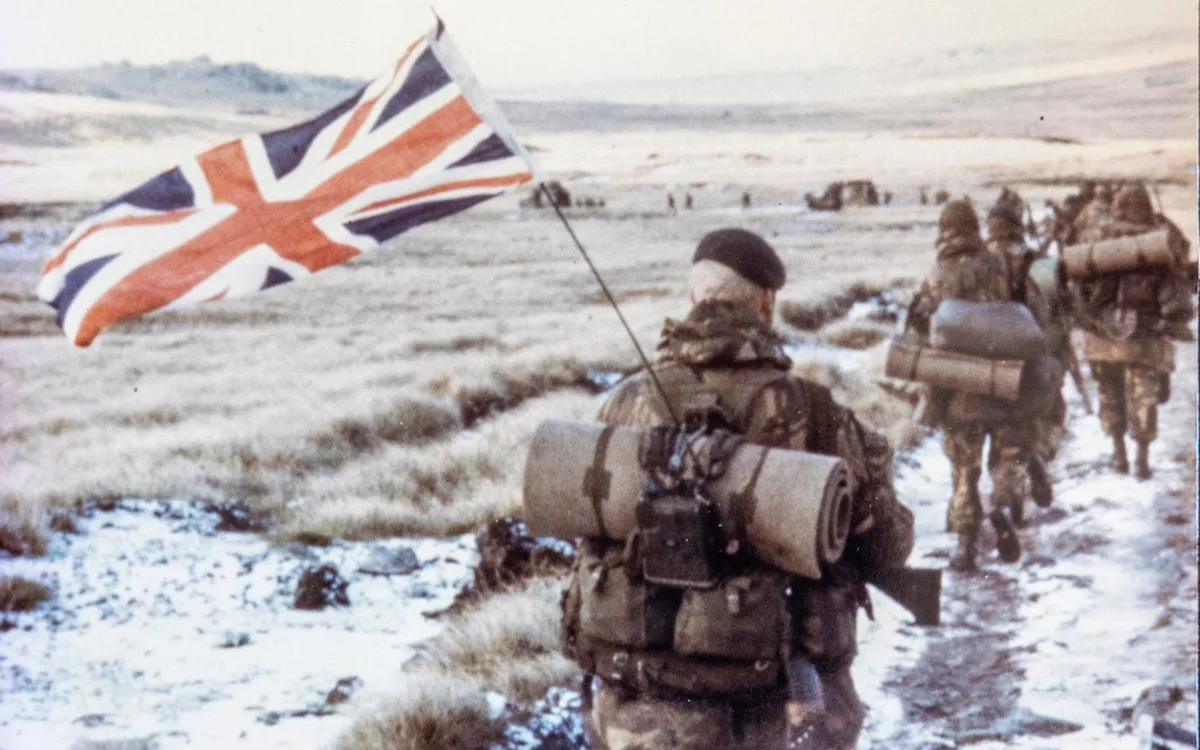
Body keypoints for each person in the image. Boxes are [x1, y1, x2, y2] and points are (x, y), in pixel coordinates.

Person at [564, 228, 914, 749]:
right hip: (781, 703)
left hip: (641, 706)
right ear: (767, 303)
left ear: (692, 299)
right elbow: (887, 544)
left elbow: (591, 532)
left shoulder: (625, 402)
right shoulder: (816, 413)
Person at [907, 200, 1043, 570]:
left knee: (963, 470)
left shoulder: (935, 273)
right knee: (1006, 458)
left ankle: (966, 545)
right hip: (1003, 382)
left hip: (956, 390)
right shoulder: (1001, 264)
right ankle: (1001, 507)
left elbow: (915, 328)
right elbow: (1032, 313)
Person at [1072, 185, 1195, 479]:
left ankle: (1118, 455)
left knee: (1110, 394)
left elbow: (1077, 290)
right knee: (1143, 397)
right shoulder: (1159, 241)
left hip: (1102, 338)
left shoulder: (1097, 239)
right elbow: (1177, 296)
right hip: (1145, 337)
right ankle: (1141, 459)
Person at [984, 197, 1063, 514]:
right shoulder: (1038, 261)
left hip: (982, 361)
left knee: (993, 426)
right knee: (1039, 416)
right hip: (1027, 361)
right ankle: (1035, 460)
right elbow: (1053, 311)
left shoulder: (977, 261)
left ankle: (1007, 490)